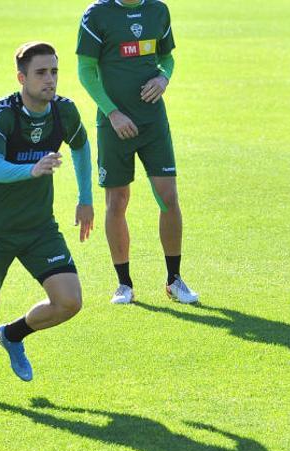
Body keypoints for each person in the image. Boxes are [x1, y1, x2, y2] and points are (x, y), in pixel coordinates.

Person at [0, 42, 92, 399]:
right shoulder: (2, 115)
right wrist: (32, 169)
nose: (50, 80)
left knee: (69, 302)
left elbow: (81, 146)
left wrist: (85, 199)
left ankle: (13, 335)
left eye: (54, 72)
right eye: (41, 73)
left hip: (38, 228)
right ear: (21, 78)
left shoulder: (64, 112)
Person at [76, 0, 198, 305]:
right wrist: (112, 113)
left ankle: (174, 280)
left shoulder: (158, 10)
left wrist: (163, 78)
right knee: (117, 200)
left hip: (153, 121)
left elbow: (166, 58)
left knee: (168, 196)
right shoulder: (97, 15)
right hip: (114, 124)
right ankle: (124, 284)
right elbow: (86, 71)